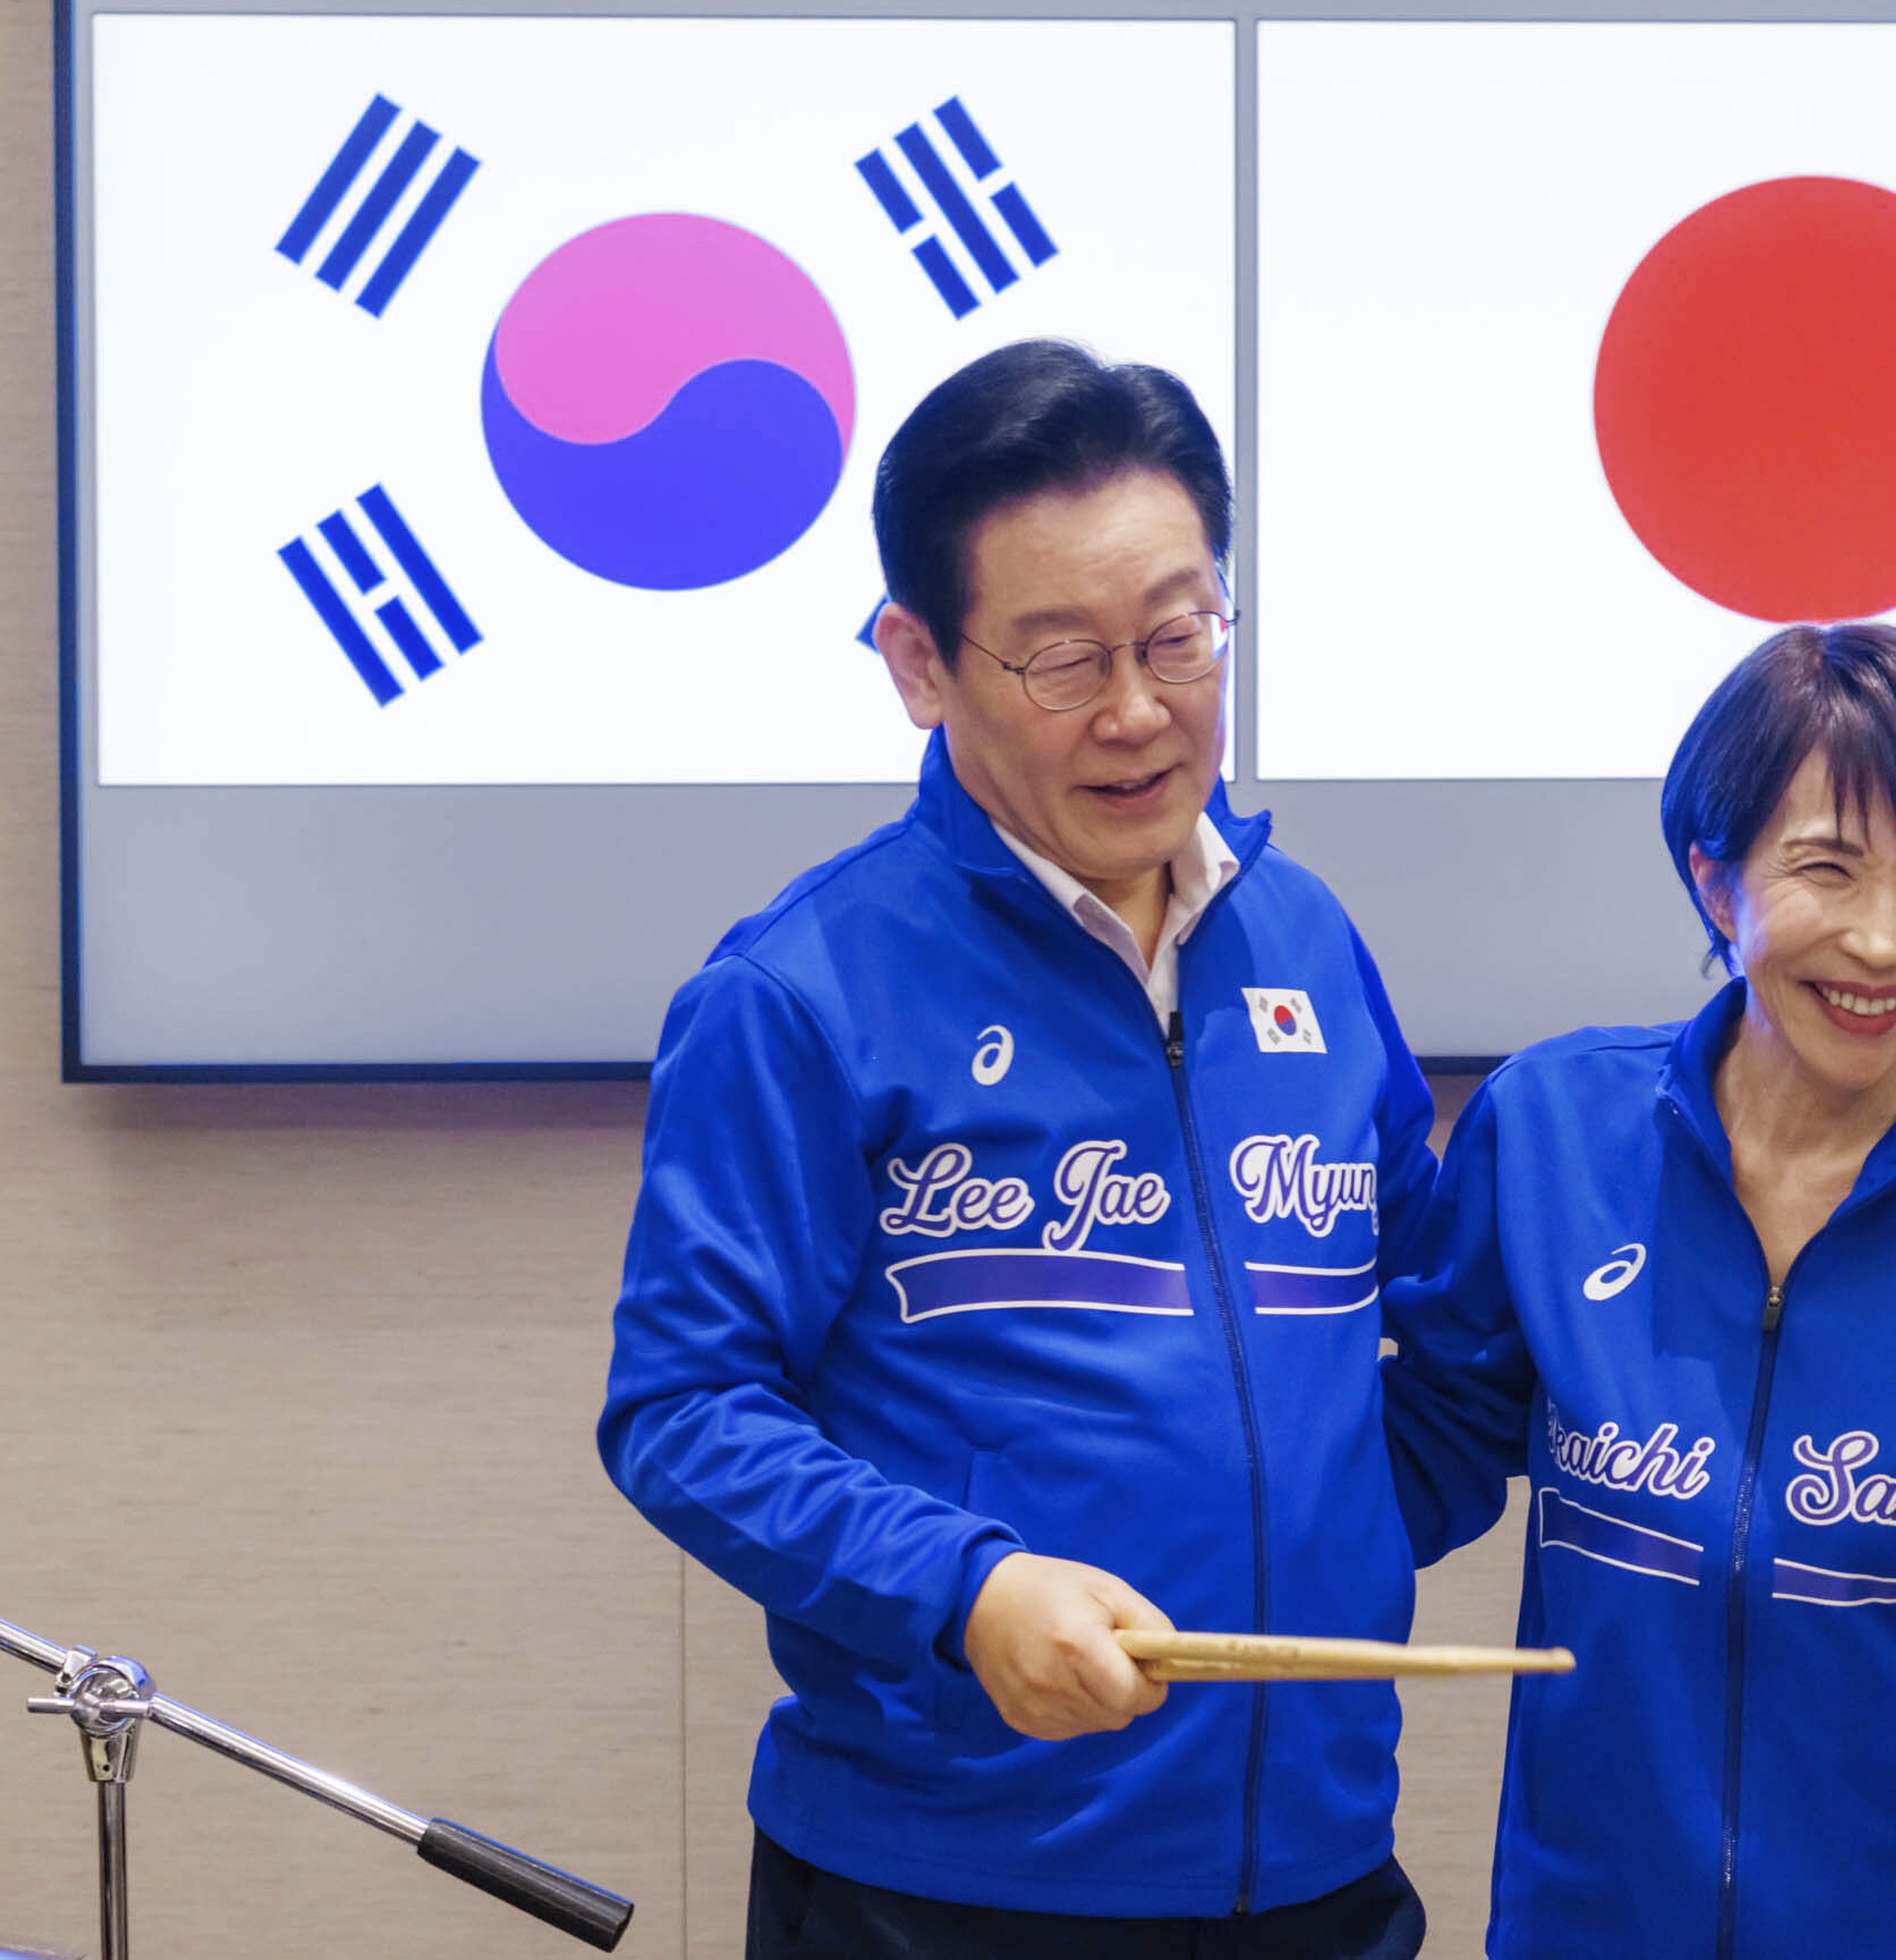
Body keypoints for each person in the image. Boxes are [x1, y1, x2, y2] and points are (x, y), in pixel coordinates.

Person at [599, 340, 1436, 1959]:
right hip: (951, 1891)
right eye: (1060, 660)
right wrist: (964, 1593)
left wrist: (1343, 1526)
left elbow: (1432, 1327)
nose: (1139, 713)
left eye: (1179, 637)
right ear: (919, 660)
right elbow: (683, 1413)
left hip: (1316, 1869)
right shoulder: (799, 992)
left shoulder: (1308, 942)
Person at [1380, 623, 1896, 1958]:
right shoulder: (1550, 1134)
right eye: (1826, 869)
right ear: (1715, 879)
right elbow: (1422, 1465)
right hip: (1589, 1918)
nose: (1885, 943)